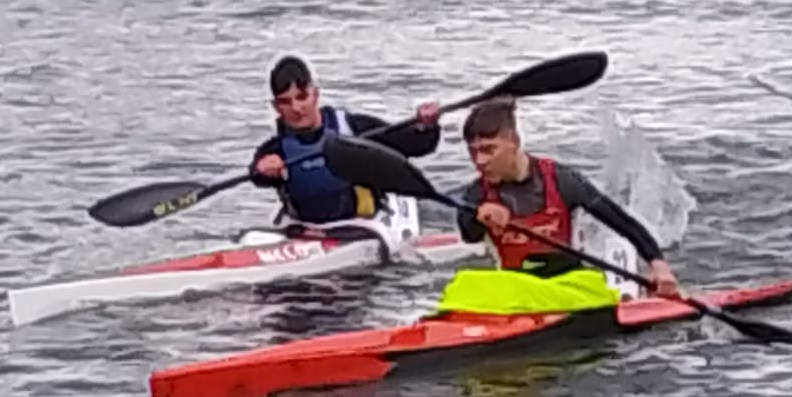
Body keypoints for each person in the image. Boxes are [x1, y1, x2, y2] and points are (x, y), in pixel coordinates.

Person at [450, 98, 682, 305]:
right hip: (516, 289)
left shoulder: (561, 180)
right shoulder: (478, 193)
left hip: (568, 286)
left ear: (514, 141)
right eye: (473, 152)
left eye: (489, 150)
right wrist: (479, 216)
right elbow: (468, 234)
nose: (479, 161)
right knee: (463, 285)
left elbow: (619, 220)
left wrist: (658, 265)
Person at [250, 56, 441, 225]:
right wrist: (261, 169)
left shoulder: (353, 128)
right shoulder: (276, 150)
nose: (296, 108)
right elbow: (257, 176)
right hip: (306, 230)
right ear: (276, 107)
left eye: (302, 97)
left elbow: (412, 145)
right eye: (286, 102)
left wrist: (425, 126)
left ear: (315, 95)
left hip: (365, 223)